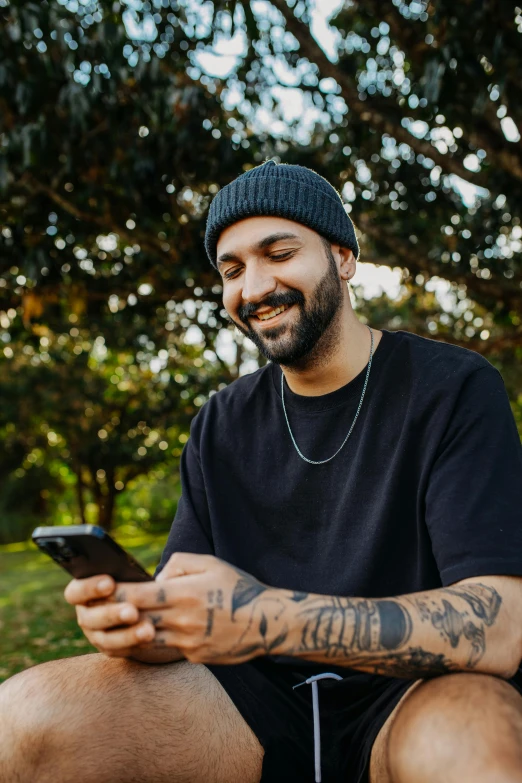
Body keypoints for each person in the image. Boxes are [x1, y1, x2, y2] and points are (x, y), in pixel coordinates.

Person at [1, 160, 522, 783]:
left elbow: (501, 626)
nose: (254, 287)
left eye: (279, 252)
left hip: (416, 693)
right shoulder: (221, 421)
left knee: (472, 748)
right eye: (232, 268)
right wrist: (140, 625)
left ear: (343, 258)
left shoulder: (454, 388)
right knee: (26, 714)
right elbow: (186, 612)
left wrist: (265, 617)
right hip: (246, 706)